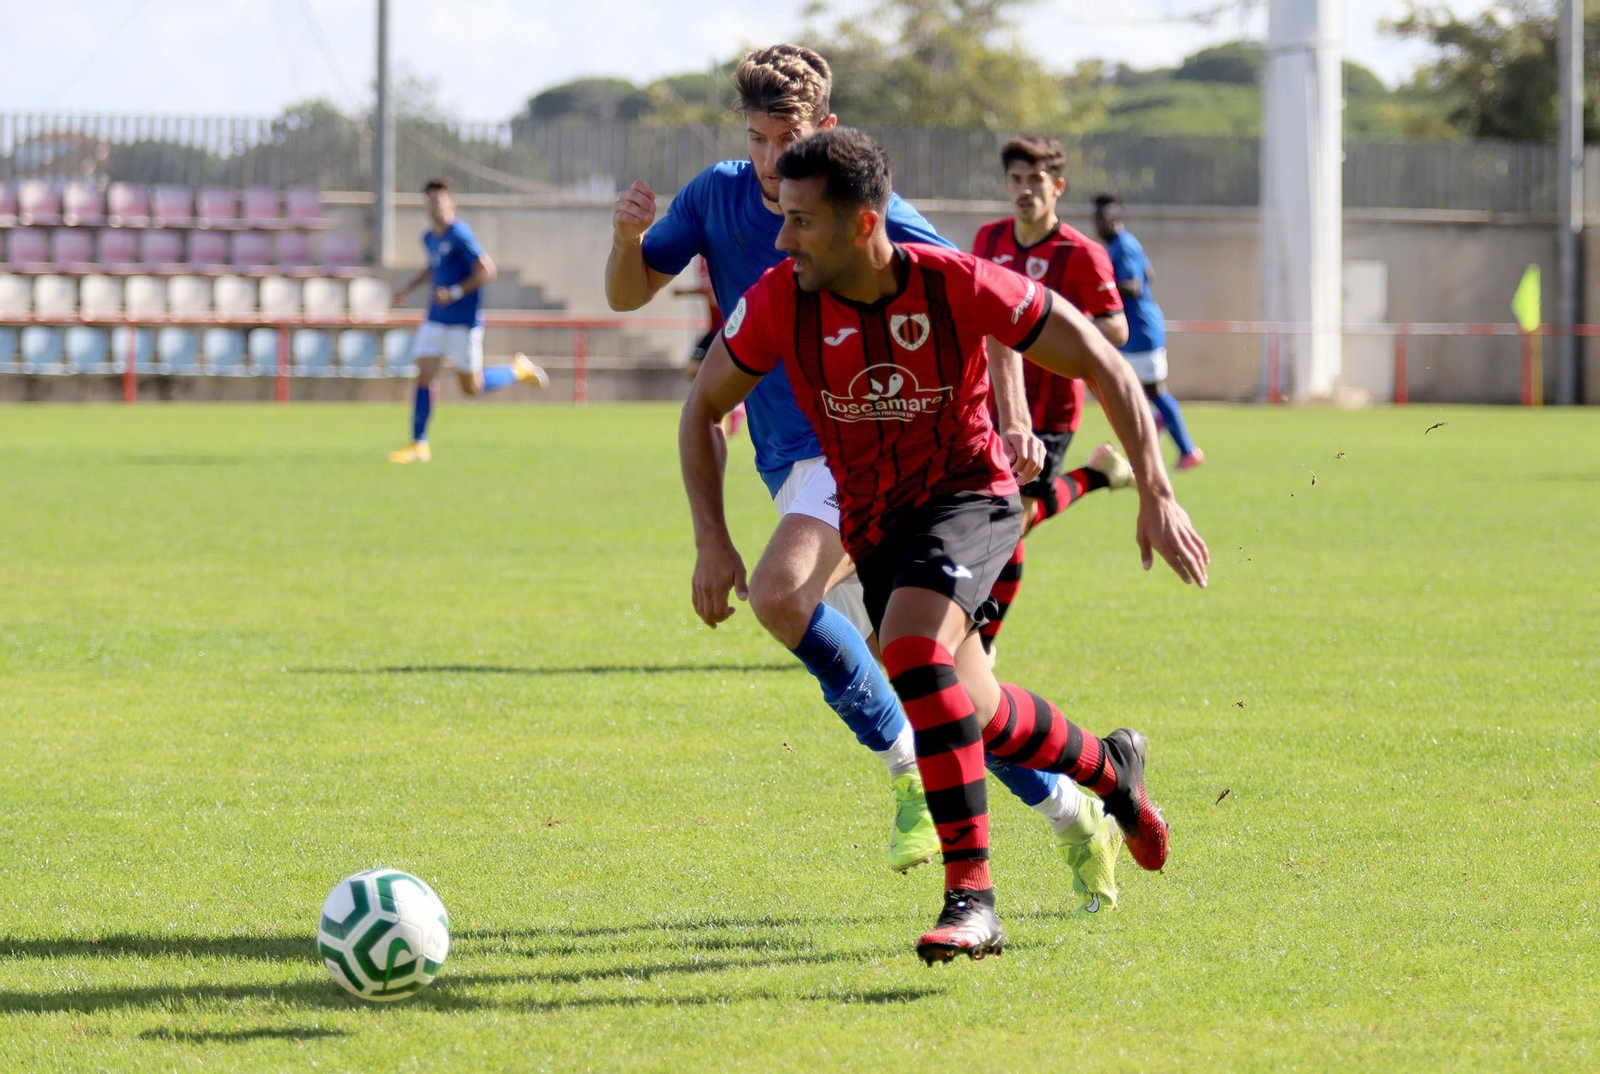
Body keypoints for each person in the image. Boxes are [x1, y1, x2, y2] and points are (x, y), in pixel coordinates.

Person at [679, 128, 1209, 962]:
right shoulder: (781, 299)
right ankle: (1113, 772)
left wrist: (1157, 490)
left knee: (912, 652)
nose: (781, 240)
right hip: (874, 520)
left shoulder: (955, 282)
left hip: (971, 499)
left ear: (863, 223)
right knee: (979, 710)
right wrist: (712, 539)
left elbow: (1102, 359)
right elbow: (702, 408)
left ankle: (972, 900)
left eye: (801, 221)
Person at [608, 46, 1112, 904]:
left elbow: (982, 300)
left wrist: (1016, 417)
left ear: (826, 131)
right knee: (949, 691)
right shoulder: (714, 195)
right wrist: (626, 242)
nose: (772, 162)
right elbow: (628, 294)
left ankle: (909, 777)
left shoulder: (861, 211)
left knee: (781, 596)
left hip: (874, 452)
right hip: (790, 465)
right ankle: (1074, 810)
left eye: (788, 139)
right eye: (758, 140)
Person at [969, 137, 1136, 657]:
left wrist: (1051, 331)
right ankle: (1098, 476)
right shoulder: (988, 238)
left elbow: (1116, 329)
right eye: (1016, 180)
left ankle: (983, 644)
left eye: (1036, 181)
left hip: (1049, 412)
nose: (1025, 190)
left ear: (1057, 187)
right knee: (993, 518)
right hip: (989, 405)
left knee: (1010, 522)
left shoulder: (1082, 254)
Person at [388, 178, 548, 464]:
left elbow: (487, 270)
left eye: (439, 201)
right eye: (430, 201)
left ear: (452, 204)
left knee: (471, 388)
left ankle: (518, 370)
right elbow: (433, 267)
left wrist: (454, 292)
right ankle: (419, 444)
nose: (434, 206)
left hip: (463, 324)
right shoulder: (429, 238)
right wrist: (408, 289)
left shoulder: (460, 234)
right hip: (435, 320)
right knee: (424, 376)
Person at [1094, 194, 1203, 469]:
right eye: (1096, 218)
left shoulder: (1124, 245)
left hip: (1141, 329)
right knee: (1132, 390)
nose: (1099, 224)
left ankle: (1187, 449)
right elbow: (1149, 274)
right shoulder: (1119, 245)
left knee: (1152, 391)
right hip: (1130, 331)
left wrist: (1100, 288)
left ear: (1117, 217)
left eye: (1104, 218)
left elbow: (1135, 285)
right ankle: (1153, 432)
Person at [675, 256, 744, 437]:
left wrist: (686, 292)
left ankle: (731, 406)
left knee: (709, 371)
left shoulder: (720, 258)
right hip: (713, 329)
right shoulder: (703, 259)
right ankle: (729, 405)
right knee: (694, 370)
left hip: (725, 329)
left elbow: (712, 292)